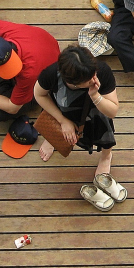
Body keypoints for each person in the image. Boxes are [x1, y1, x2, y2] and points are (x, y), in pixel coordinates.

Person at [33, 46, 120, 202]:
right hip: (63, 110)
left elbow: (112, 111)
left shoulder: (102, 71)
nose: (94, 79)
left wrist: (95, 95)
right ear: (71, 81)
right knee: (57, 131)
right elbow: (39, 94)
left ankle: (106, 157)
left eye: (94, 73)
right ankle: (53, 138)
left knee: (104, 134)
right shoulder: (51, 73)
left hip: (95, 113)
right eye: (88, 80)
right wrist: (62, 121)